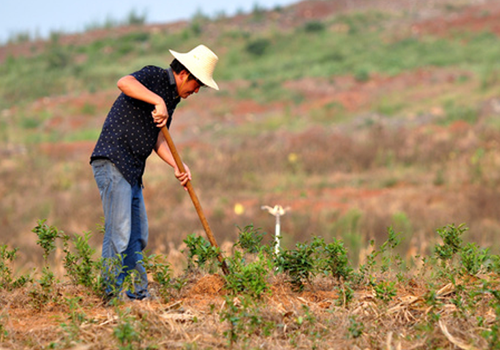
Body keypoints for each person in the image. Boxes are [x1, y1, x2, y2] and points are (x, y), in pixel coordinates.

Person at [90, 45, 220, 300]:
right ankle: (111, 295)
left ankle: (139, 295)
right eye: (197, 85)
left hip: (133, 170)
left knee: (138, 235)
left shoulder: (172, 100)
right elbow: (124, 82)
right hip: (114, 161)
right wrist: (157, 100)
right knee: (119, 231)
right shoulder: (154, 77)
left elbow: (159, 140)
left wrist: (178, 166)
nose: (196, 91)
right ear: (184, 74)